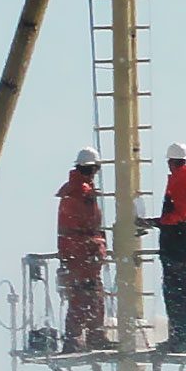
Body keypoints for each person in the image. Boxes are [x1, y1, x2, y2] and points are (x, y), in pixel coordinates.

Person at [142, 141, 186, 352]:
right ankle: (181, 339)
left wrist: (157, 222)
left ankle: (183, 340)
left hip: (178, 250)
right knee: (181, 298)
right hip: (183, 250)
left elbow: (180, 217)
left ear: (171, 162)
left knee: (177, 298)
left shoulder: (181, 183)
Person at [56, 147, 109, 352]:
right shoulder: (83, 193)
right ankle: (88, 337)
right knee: (89, 295)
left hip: (73, 253)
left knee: (81, 296)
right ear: (92, 169)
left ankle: (76, 339)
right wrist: (98, 246)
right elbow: (89, 225)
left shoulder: (71, 191)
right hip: (84, 254)